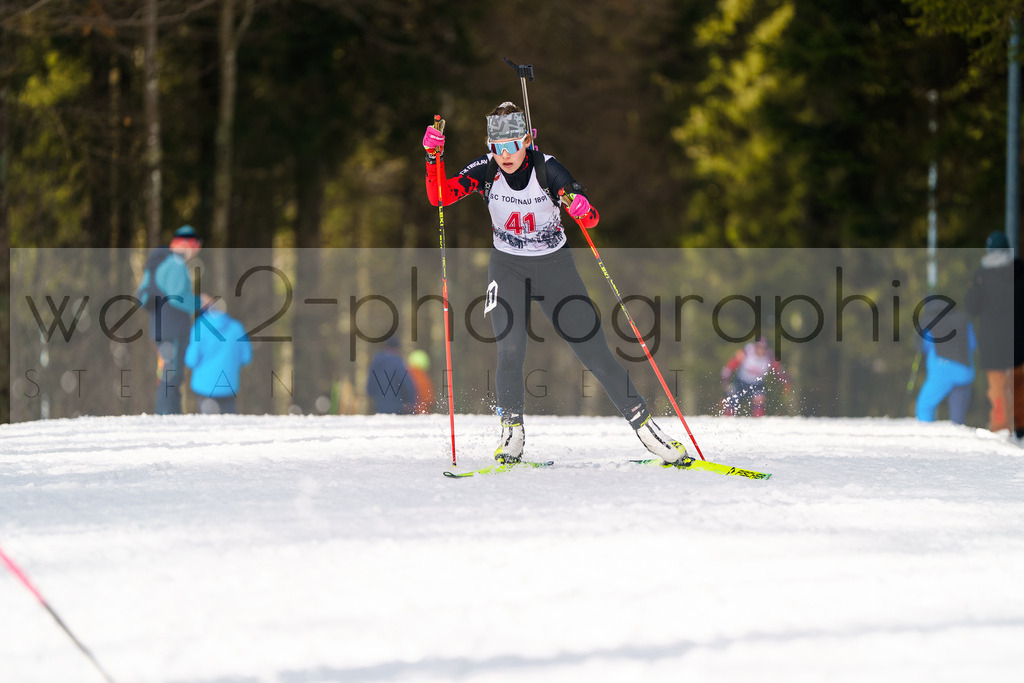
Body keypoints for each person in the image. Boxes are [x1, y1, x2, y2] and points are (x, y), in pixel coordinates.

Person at [422, 102, 688, 464]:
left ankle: (648, 431)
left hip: (555, 268)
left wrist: (579, 206)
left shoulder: (546, 168)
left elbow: (589, 216)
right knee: (510, 350)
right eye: (498, 147)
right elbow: (440, 195)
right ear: (489, 145)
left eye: (513, 145)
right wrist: (433, 156)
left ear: (527, 140)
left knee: (594, 352)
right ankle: (511, 434)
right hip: (507, 268)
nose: (506, 155)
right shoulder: (485, 171)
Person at [136, 225, 202, 414]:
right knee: (171, 375)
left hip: (160, 327)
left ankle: (168, 415)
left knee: (167, 372)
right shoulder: (175, 264)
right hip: (172, 329)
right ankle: (167, 417)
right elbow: (177, 297)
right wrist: (200, 301)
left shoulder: (159, 262)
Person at [964, 231, 1024, 436]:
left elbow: (971, 306)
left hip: (993, 341)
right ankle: (1021, 427)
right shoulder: (1020, 270)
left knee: (997, 386)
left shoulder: (982, 275)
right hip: (1019, 338)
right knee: (1019, 383)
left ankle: (1001, 427)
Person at [184, 298, 252, 414]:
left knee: (206, 428)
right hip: (229, 387)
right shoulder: (237, 328)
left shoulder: (200, 326)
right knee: (228, 426)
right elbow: (246, 357)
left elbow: (191, 360)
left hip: (204, 387)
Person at [914, 299, 976, 424]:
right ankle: (959, 436)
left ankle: (927, 436)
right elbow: (972, 344)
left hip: (941, 371)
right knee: (958, 417)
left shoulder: (927, 322)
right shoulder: (964, 319)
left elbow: (923, 347)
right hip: (964, 372)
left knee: (924, 407)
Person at [720, 338, 790, 417]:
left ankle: (758, 422)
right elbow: (730, 365)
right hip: (741, 382)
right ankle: (726, 419)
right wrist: (725, 380)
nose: (761, 350)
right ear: (755, 346)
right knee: (732, 400)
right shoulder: (747, 352)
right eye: (759, 347)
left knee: (759, 399)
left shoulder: (769, 356)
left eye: (763, 348)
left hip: (757, 384)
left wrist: (785, 381)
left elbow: (778, 370)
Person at [366, 336, 417, 414]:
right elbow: (406, 383)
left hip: (380, 406)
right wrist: (410, 401)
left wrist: (372, 394)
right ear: (396, 348)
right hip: (397, 406)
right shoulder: (397, 363)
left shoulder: (376, 363)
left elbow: (370, 385)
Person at [407, 349, 436, 414]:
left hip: (408, 411)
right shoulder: (424, 378)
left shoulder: (406, 376)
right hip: (421, 412)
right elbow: (429, 398)